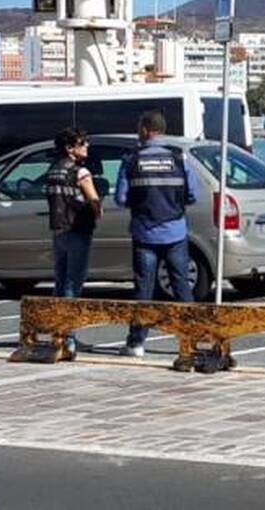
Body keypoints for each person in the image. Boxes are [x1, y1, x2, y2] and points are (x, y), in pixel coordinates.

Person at [115, 110, 199, 358]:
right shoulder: (179, 158)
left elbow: (120, 198)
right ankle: (192, 339)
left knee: (143, 290)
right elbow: (193, 195)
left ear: (145, 129)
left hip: (145, 234)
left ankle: (136, 343)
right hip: (175, 231)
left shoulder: (131, 159)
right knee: (181, 287)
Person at [45, 127, 102, 355]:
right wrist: (97, 211)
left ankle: (57, 334)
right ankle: (68, 338)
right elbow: (94, 200)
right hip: (78, 230)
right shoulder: (80, 172)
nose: (87, 146)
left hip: (59, 230)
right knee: (73, 283)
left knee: (60, 282)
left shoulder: (53, 170)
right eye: (82, 142)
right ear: (70, 148)